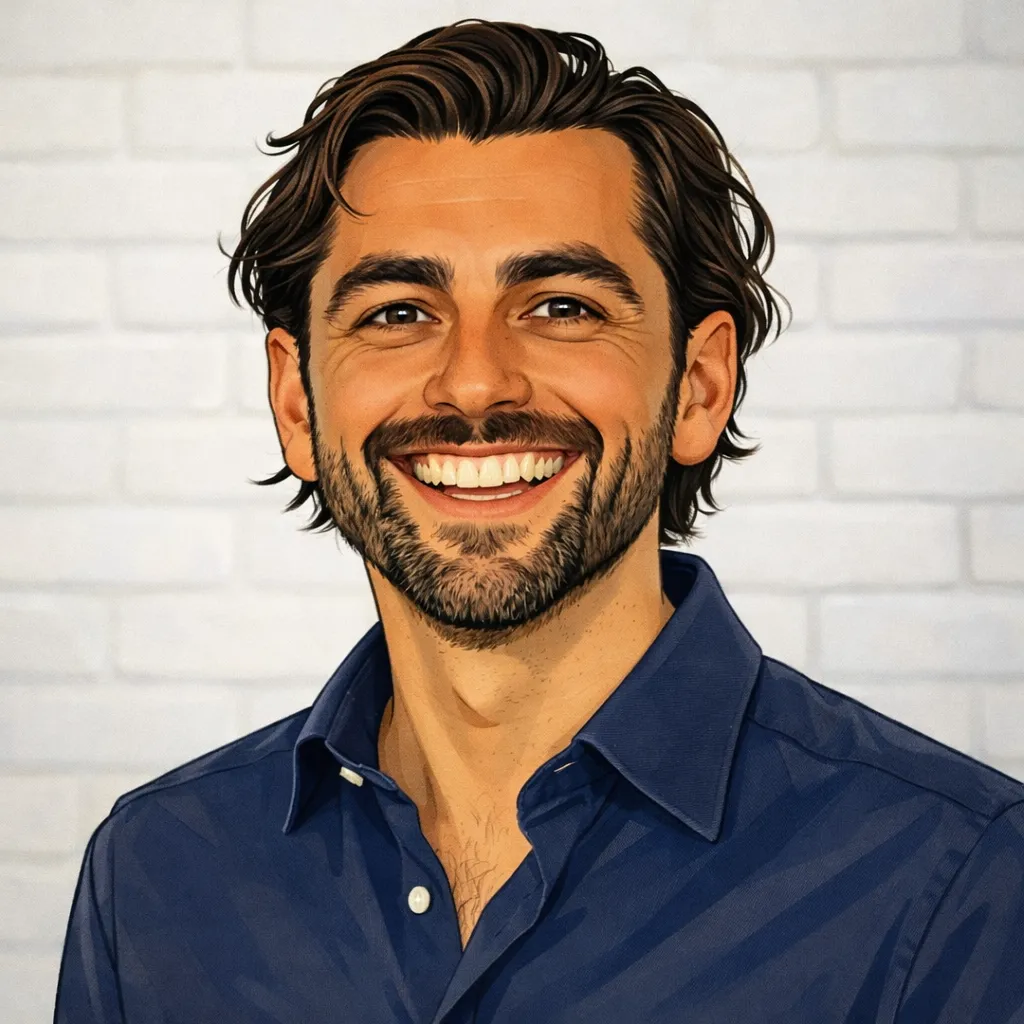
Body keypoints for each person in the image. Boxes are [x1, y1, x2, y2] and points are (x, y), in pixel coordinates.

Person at [55, 20, 1023, 1023]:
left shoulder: (958, 882)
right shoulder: (158, 876)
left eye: (561, 307)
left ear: (699, 385)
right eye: (397, 312)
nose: (475, 381)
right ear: (296, 403)